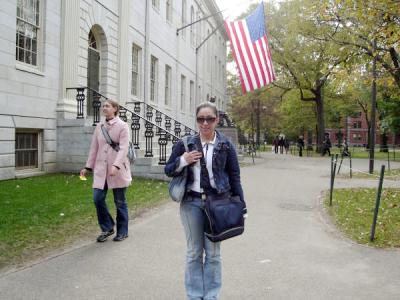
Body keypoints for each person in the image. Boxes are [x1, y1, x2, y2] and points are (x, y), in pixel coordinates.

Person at [165, 102, 246, 300]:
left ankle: (211, 296)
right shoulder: (185, 144)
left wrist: (241, 205)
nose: (205, 123)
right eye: (201, 119)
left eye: (209, 119)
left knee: (213, 254)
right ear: (197, 120)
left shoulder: (226, 145)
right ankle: (194, 295)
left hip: (217, 205)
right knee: (194, 253)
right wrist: (183, 160)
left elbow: (234, 176)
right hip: (191, 203)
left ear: (217, 119)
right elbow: (168, 170)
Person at [80, 99, 132, 242]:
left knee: (120, 201)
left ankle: (122, 231)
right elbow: (94, 148)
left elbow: (123, 148)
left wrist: (116, 165)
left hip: (118, 169)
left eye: (107, 106)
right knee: (97, 199)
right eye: (103, 106)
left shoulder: (123, 126)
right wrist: (88, 167)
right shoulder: (99, 126)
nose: (104, 108)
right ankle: (107, 227)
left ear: (115, 109)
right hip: (101, 170)